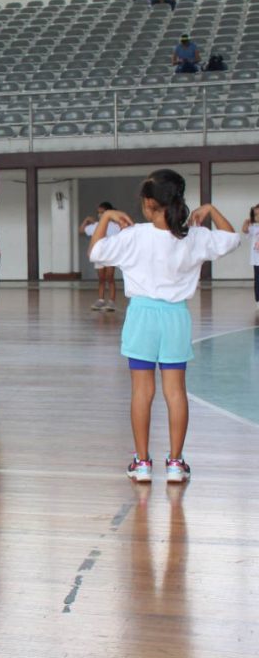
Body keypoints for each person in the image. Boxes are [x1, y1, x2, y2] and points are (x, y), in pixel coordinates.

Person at [88, 169, 239, 483]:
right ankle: (175, 463)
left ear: (147, 204)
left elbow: (96, 252)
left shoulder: (134, 236)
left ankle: (142, 463)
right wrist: (210, 210)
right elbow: (232, 238)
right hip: (175, 318)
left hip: (142, 317)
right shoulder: (194, 236)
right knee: (175, 393)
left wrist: (107, 219)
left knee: (142, 392)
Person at [79, 201, 120, 312]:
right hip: (99, 256)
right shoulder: (96, 226)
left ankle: (111, 302)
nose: (100, 214)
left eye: (102, 212)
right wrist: (86, 220)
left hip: (110, 255)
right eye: (98, 212)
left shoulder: (115, 226)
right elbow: (81, 230)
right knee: (101, 279)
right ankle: (101, 300)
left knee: (110, 278)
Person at [243, 203, 259, 309]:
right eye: (256, 214)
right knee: (257, 280)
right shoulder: (254, 227)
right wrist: (246, 223)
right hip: (256, 259)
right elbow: (245, 230)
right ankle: (258, 301)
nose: (257, 216)